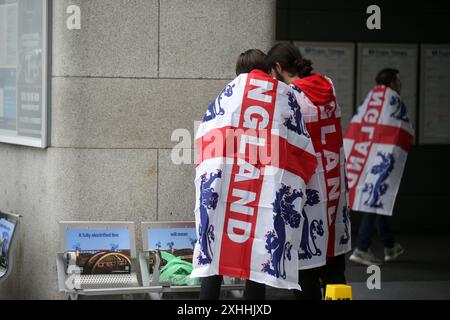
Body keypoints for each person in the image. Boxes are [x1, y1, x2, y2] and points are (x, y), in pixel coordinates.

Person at [193, 49, 318, 299]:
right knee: (258, 254)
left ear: (239, 71)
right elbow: (302, 146)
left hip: (226, 187)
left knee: (214, 248)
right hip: (266, 187)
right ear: (269, 68)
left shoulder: (227, 94)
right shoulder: (284, 95)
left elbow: (204, 139)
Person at [265, 42, 352, 300]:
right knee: (335, 266)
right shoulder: (328, 85)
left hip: (310, 188)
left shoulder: (290, 95)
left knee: (305, 266)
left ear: (278, 68)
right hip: (335, 187)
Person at [345, 68, 414, 266]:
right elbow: (403, 128)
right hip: (382, 156)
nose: (400, 85)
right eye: (398, 81)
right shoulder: (393, 99)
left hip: (364, 156)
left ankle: (389, 246)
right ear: (392, 82)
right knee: (375, 199)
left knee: (378, 199)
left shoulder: (371, 99)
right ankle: (362, 248)